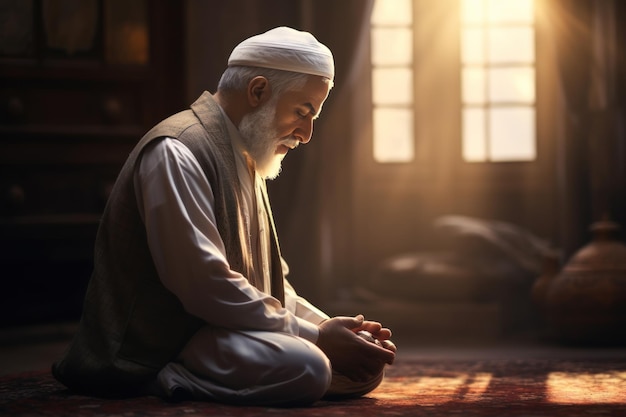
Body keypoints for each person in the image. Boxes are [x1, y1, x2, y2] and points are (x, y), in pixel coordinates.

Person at [52, 26, 396, 407]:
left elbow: (271, 285)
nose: (307, 133)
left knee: (361, 364)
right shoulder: (177, 150)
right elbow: (204, 286)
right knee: (310, 368)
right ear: (258, 91)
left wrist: (329, 327)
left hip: (220, 329)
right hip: (170, 339)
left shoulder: (248, 156)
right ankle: (163, 376)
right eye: (303, 112)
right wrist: (317, 339)